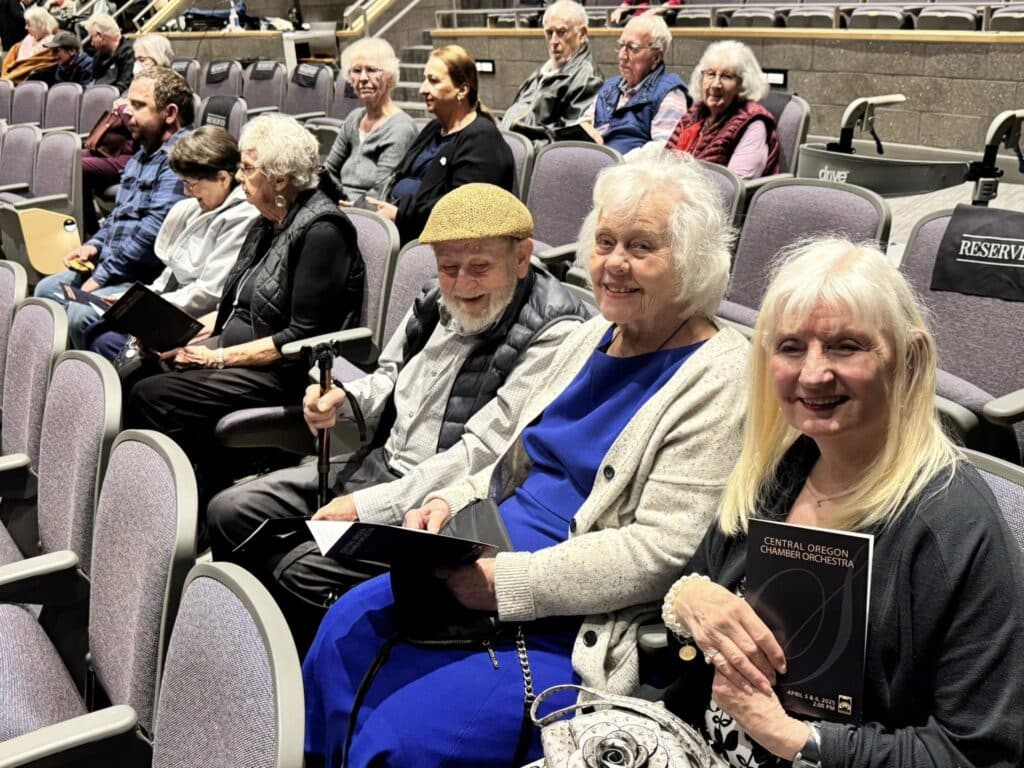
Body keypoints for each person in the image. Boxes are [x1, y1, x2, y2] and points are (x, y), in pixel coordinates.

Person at [302, 146, 749, 767]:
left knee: (412, 737)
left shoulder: (724, 377)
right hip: (470, 558)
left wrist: (500, 586)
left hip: (567, 614)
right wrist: (446, 503)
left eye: (642, 247)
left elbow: (658, 552)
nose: (614, 264)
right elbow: (504, 453)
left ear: (694, 262)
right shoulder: (589, 336)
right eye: (605, 242)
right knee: (340, 633)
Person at [662, 239, 1024, 768]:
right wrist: (690, 602)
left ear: (910, 358)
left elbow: (980, 753)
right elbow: (694, 594)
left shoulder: (955, 530)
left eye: (846, 346)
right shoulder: (779, 472)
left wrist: (793, 738)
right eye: (790, 347)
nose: (812, 374)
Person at [207, 183, 591, 650]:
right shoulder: (435, 297)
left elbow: (485, 452)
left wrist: (368, 508)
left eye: (479, 268)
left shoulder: (555, 330)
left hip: (440, 506)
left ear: (522, 257)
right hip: (379, 465)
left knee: (298, 568)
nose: (462, 284)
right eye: (449, 268)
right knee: (230, 512)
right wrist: (342, 400)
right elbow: (389, 375)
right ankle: (241, 654)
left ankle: (304, 680)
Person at [125, 113, 365, 514]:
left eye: (248, 168)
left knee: (153, 395)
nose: (238, 176)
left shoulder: (323, 231)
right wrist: (183, 337)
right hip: (240, 357)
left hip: (282, 375)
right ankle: (179, 491)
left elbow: (299, 339)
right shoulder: (268, 223)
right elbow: (233, 307)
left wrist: (216, 357)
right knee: (142, 368)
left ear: (280, 179)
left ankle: (182, 507)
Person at [35, 66, 193, 348]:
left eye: (138, 105)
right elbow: (119, 216)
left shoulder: (179, 160)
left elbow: (152, 233)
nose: (126, 111)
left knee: (81, 313)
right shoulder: (144, 154)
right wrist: (94, 245)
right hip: (116, 265)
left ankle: (91, 384)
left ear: (170, 114)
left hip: (145, 275)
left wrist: (100, 276)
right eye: (128, 102)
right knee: (46, 291)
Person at [84, 126, 260, 360]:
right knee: (95, 330)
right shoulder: (200, 206)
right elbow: (170, 276)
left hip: (202, 318)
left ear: (222, 178)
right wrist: (137, 299)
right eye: (183, 183)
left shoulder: (242, 216)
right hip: (176, 307)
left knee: (105, 340)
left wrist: (147, 307)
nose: (186, 192)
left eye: (191, 183)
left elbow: (208, 294)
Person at [368, 44, 515, 244]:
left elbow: (465, 211)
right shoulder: (434, 129)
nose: (422, 89)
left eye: (433, 81)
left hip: (442, 245)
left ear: (462, 90)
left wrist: (402, 215)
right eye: (424, 80)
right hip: (402, 228)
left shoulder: (482, 140)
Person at [667, 41, 780, 180]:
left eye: (727, 76)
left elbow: (736, 185)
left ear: (742, 85)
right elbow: (665, 159)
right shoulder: (695, 113)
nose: (715, 84)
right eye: (711, 74)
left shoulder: (753, 123)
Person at [322, 37, 416, 204]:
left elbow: (382, 190)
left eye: (372, 70)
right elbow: (329, 170)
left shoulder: (401, 128)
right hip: (337, 204)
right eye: (356, 71)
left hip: (369, 215)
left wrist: (349, 205)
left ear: (389, 76)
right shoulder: (354, 118)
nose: (363, 78)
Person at [580, 14, 689, 155]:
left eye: (632, 48)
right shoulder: (610, 86)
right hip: (592, 163)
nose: (622, 56)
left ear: (656, 57)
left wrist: (616, 162)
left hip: (629, 173)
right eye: (621, 46)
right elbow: (585, 122)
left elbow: (664, 150)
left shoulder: (670, 93)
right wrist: (583, 128)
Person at [499, 0, 603, 133]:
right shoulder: (545, 70)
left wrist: (517, 139)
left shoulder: (588, 79)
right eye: (549, 33)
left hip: (527, 149)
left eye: (561, 32)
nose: (553, 41)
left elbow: (566, 141)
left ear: (582, 34)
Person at [1, 6, 57, 83]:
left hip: (32, 82)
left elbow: (38, 64)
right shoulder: (28, 38)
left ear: (39, 25)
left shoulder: (52, 42)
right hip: (14, 78)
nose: (26, 28)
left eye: (29, 25)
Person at [86, 13, 133, 92]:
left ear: (100, 36)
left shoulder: (130, 52)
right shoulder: (97, 57)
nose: (91, 43)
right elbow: (93, 81)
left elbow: (125, 85)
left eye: (92, 38)